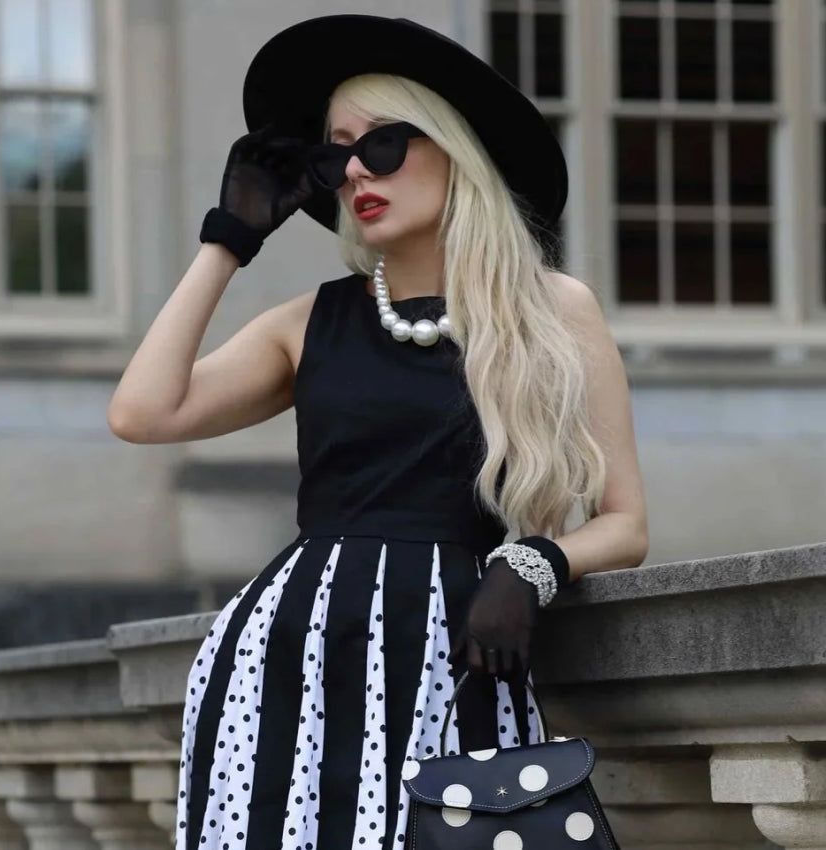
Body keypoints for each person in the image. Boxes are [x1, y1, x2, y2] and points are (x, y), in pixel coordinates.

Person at [105, 15, 648, 848]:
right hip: (288, 665)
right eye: (335, 156)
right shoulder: (310, 322)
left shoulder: (554, 310)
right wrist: (229, 240)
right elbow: (142, 413)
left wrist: (533, 563)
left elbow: (626, 523)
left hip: (454, 665)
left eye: (382, 144)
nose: (355, 170)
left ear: (454, 149)